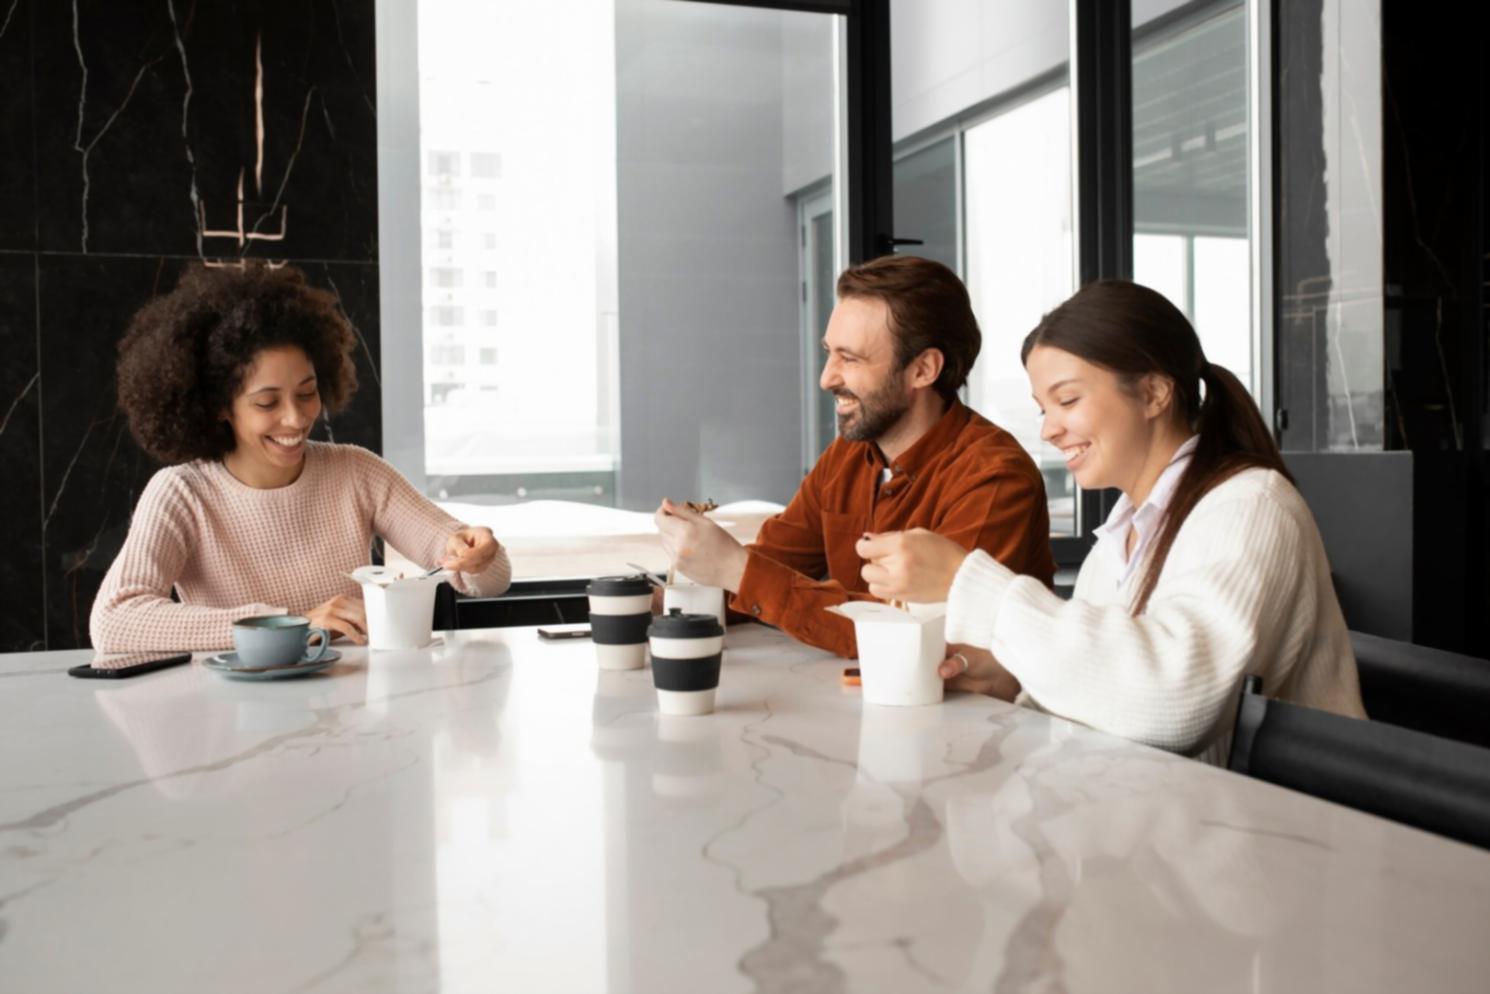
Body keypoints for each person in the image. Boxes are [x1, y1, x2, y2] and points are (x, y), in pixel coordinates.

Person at [857, 280, 1365, 763]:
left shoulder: (1251, 507)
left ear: (1152, 394)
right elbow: (1117, 686)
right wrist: (1017, 680)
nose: (1049, 430)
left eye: (1068, 400)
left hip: (1293, 832)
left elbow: (1175, 702)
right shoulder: (1122, 537)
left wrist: (966, 581)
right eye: (1042, 408)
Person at [90, 264, 511, 652]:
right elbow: (114, 622)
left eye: (307, 393)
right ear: (220, 406)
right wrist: (291, 624)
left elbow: (487, 581)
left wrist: (480, 554)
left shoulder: (354, 472)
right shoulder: (182, 493)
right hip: (230, 723)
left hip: (353, 719)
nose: (295, 418)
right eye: (267, 402)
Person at [654, 255, 1056, 658]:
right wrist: (654, 599)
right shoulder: (848, 455)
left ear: (923, 369)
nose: (826, 377)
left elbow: (918, 638)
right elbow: (776, 568)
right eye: (829, 353)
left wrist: (735, 569)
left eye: (850, 358)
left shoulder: (995, 478)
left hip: (972, 716)